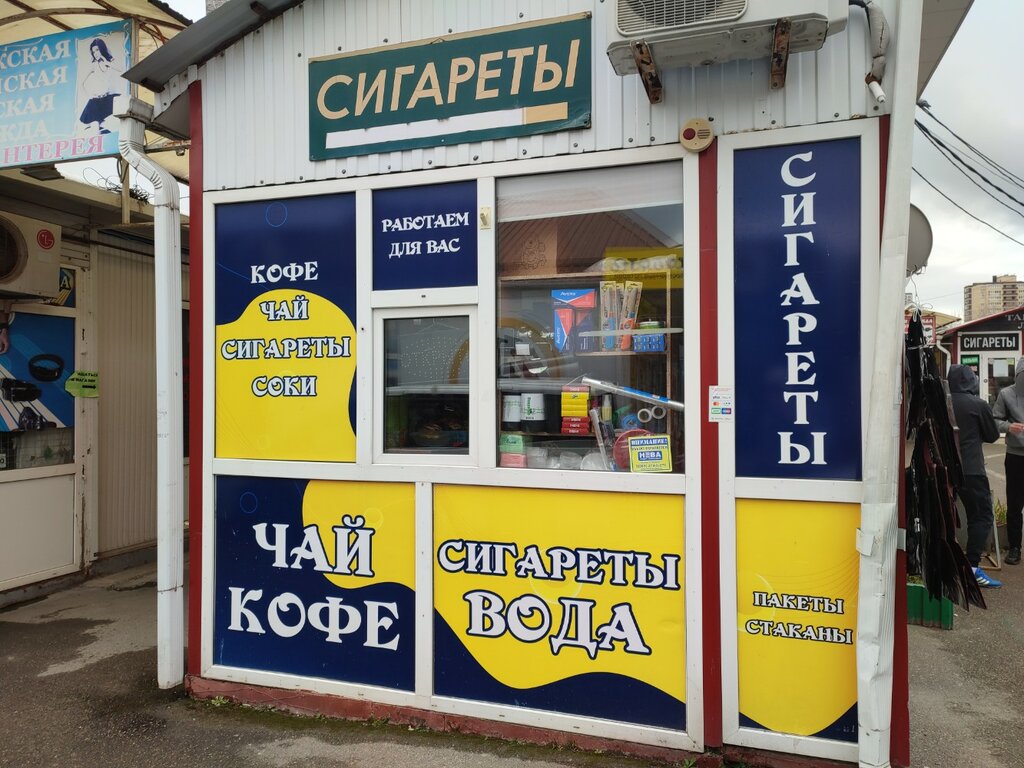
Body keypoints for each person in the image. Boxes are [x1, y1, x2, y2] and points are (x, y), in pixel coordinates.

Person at [948, 364, 1002, 586]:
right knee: (981, 516)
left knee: (943, 516)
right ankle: (971, 569)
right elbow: (992, 435)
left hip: (944, 469)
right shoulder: (978, 404)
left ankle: (943, 566)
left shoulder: (942, 403)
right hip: (971, 469)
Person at [993, 358, 1024, 565]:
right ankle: (1014, 547)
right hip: (1015, 456)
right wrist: (1008, 427)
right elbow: (994, 419)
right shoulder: (1006, 394)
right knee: (1014, 504)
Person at [78, 37, 122, 135]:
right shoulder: (93, 65)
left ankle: (102, 129)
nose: (95, 53)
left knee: (119, 108)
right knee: (95, 128)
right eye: (93, 52)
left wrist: (106, 62)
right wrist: (89, 95)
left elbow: (121, 69)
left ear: (102, 49)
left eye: (97, 50)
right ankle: (96, 130)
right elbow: (81, 83)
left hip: (107, 99)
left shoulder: (110, 62)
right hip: (96, 101)